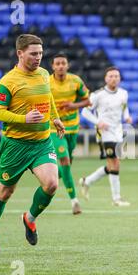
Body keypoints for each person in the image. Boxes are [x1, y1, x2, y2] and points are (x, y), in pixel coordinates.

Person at [0, 34, 65, 254]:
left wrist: (55, 117)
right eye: (33, 54)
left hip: (41, 143)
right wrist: (23, 119)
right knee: (5, 192)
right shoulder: (8, 81)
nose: (38, 58)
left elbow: (47, 98)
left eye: (40, 53)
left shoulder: (43, 74)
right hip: (15, 146)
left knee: (51, 184)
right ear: (20, 53)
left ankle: (29, 218)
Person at [79, 66, 132, 206]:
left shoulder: (123, 93)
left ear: (120, 78)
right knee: (114, 162)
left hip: (117, 132)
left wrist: (127, 117)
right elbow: (85, 112)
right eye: (111, 76)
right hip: (104, 134)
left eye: (116, 76)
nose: (114, 78)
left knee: (114, 165)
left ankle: (87, 181)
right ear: (105, 78)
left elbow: (124, 108)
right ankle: (116, 199)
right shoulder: (98, 95)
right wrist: (98, 122)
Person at [50, 52, 90, 215]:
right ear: (53, 66)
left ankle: (51, 181)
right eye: (57, 63)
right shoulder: (46, 82)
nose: (60, 66)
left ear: (67, 65)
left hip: (73, 128)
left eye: (63, 63)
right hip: (54, 128)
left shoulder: (75, 81)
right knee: (65, 160)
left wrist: (73, 106)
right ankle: (74, 201)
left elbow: (88, 101)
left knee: (66, 165)